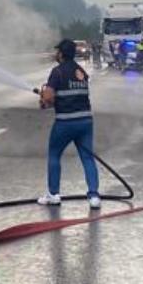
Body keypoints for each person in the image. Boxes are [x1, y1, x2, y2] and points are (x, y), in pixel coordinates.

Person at [38, 39, 101, 208]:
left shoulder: (57, 72)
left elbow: (49, 99)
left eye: (57, 51)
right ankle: (94, 196)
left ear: (62, 54)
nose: (55, 54)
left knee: (54, 154)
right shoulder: (81, 72)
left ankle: (53, 194)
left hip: (65, 122)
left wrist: (44, 100)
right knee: (87, 157)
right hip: (86, 122)